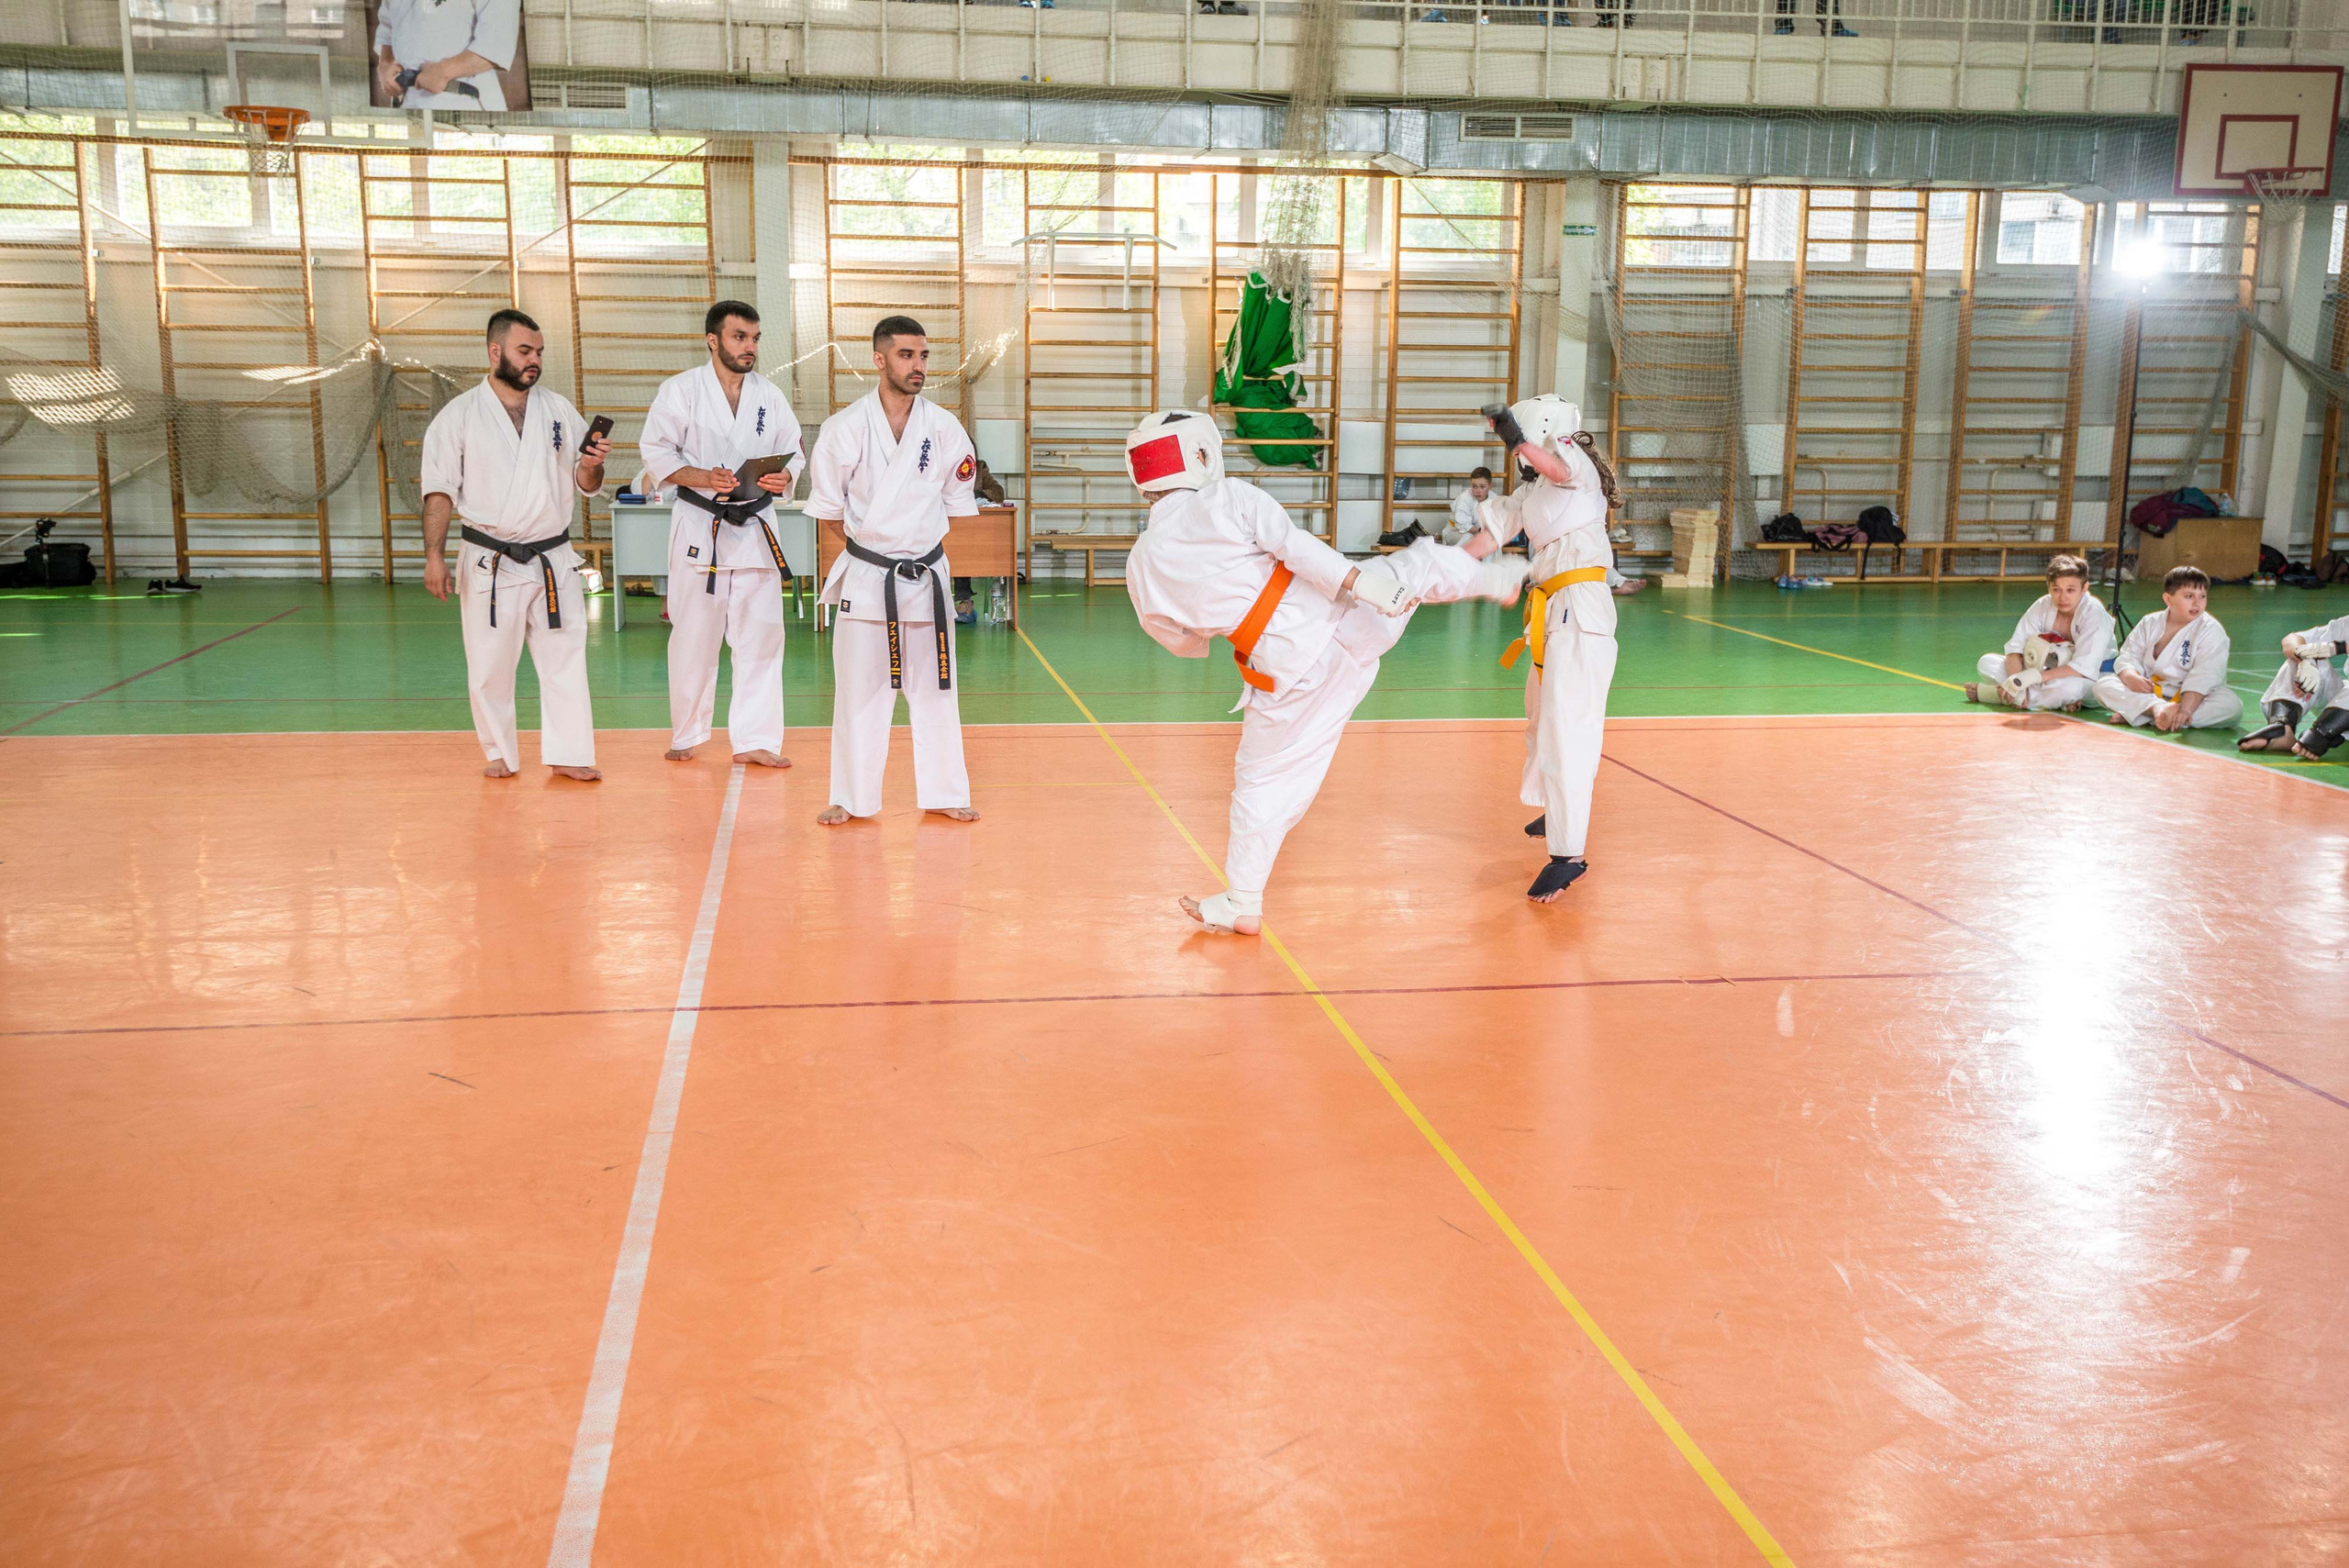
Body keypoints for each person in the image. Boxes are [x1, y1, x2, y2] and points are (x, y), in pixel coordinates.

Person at [1120, 410, 1530, 935]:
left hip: (1286, 673)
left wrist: (1219, 625)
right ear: (1200, 455)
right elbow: (1296, 547)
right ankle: (1498, 581)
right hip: (1344, 612)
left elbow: (1179, 642)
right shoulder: (1227, 498)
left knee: (1260, 784)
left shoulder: (1141, 564)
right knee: (1420, 564)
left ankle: (1243, 900)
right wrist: (1365, 585)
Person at [419, 308, 611, 781]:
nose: (534, 360)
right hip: (491, 558)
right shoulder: (459, 416)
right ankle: (500, 752)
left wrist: (592, 464)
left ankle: (569, 755)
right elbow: (439, 491)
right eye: (525, 351)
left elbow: (586, 483)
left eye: (539, 352)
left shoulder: (558, 410)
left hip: (552, 558)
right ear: (495, 351)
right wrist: (433, 557)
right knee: (490, 667)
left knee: (565, 659)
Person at [806, 315, 981, 826]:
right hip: (868, 578)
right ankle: (851, 797)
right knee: (859, 695)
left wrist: (915, 546)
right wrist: (877, 550)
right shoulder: (843, 429)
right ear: (879, 360)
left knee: (937, 693)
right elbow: (829, 513)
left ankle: (945, 792)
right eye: (906, 355)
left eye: (923, 355)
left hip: (926, 578)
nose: (918, 365)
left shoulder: (944, 428)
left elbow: (956, 506)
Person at [639, 301, 805, 770]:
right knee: (694, 637)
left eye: (754, 338)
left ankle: (755, 738)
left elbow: (793, 453)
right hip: (701, 526)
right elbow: (656, 452)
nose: (750, 347)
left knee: (762, 639)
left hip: (755, 527)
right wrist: (702, 477)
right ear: (713, 340)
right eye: (739, 337)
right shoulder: (680, 391)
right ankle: (687, 732)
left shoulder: (770, 395)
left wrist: (785, 477)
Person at [1484, 395, 1620, 903]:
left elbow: (1558, 468)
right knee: (1540, 720)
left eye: (1519, 440)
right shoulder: (1533, 490)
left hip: (1581, 611)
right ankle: (1556, 809)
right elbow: (1485, 539)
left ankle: (1568, 857)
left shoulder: (1573, 463)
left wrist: (1518, 440)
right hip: (1551, 613)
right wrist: (1424, 574)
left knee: (1568, 733)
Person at [2090, 565, 2242, 732]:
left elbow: (2205, 675)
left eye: (2202, 596)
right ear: (2168, 599)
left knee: (2231, 707)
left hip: (2191, 698)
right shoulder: (2150, 622)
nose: (2197, 603)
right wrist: (2130, 676)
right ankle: (2158, 710)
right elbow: (2129, 656)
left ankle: (2146, 715)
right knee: (2103, 685)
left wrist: (2185, 710)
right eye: (2189, 596)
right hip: (2149, 692)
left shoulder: (2211, 630)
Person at [1963, 553, 2113, 710]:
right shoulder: (2043, 605)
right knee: (1987, 663)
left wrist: (2032, 677)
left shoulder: (2093, 613)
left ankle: (1996, 695)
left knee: (2069, 689)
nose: (2063, 597)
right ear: (2048, 586)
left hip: (2090, 677)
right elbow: (2015, 649)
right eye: (2056, 589)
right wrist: (2016, 683)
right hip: (2044, 672)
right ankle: (2025, 698)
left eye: (2070, 590)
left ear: (2084, 588)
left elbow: (2083, 668)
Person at [371, 0, 518, 111]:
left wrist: (444, 72)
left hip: (465, 101)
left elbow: (497, 40)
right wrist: (385, 65)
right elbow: (387, 26)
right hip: (411, 102)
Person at [2239, 611, 2349, 759]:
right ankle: (2283, 727)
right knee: (2305, 656)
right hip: (2341, 709)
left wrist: (2324, 730)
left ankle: (2325, 731)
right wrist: (2306, 661)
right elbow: (2292, 640)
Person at [1446, 466, 1495, 546]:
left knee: (1493, 542)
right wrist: (1482, 532)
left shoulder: (1495, 499)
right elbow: (1463, 525)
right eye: (1474, 486)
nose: (1478, 491)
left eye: (1482, 487)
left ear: (1490, 486)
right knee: (1469, 538)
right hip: (1456, 532)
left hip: (1482, 533)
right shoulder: (1464, 499)